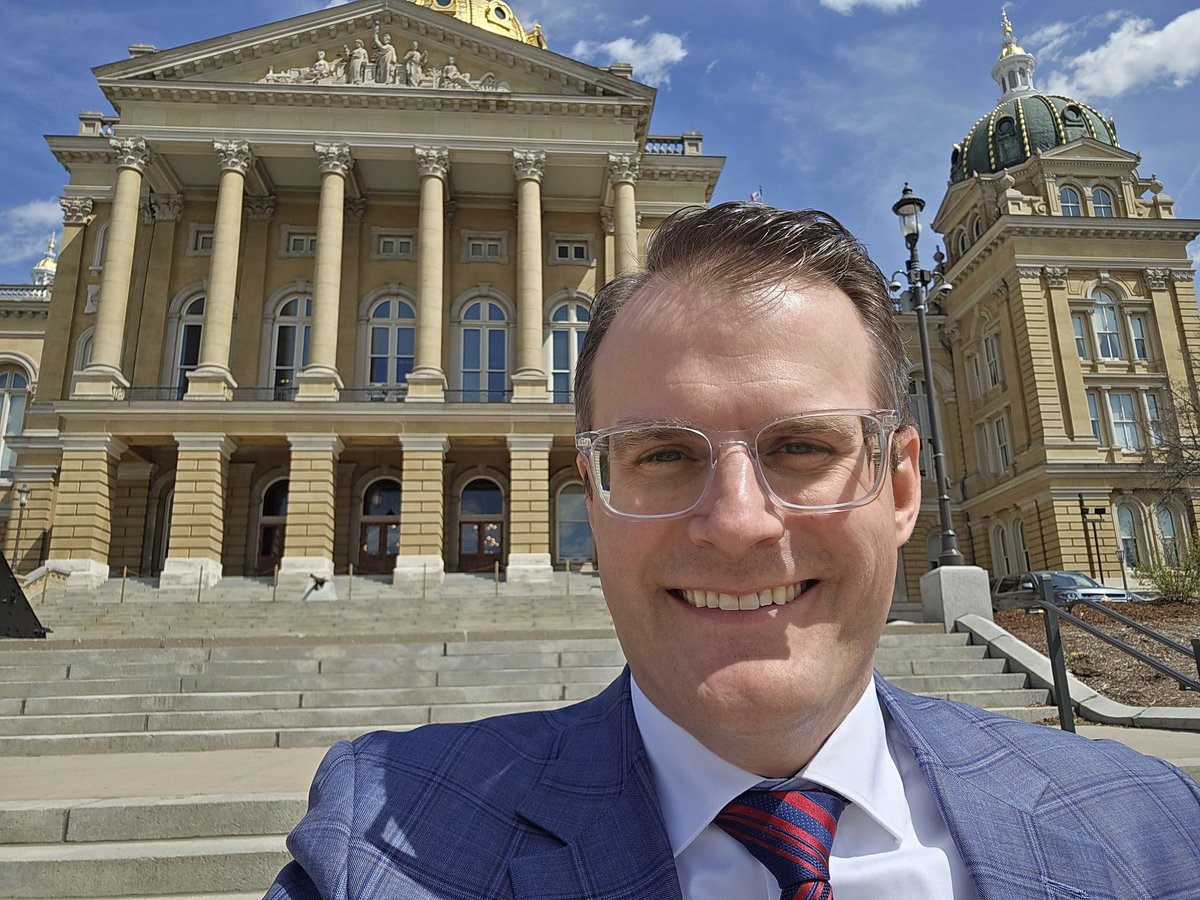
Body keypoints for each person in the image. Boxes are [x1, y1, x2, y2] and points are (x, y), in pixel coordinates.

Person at [266, 203, 1200, 899]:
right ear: (593, 496)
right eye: (664, 455)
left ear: (903, 487)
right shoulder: (386, 840)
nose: (740, 522)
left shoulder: (1148, 829)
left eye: (804, 446)